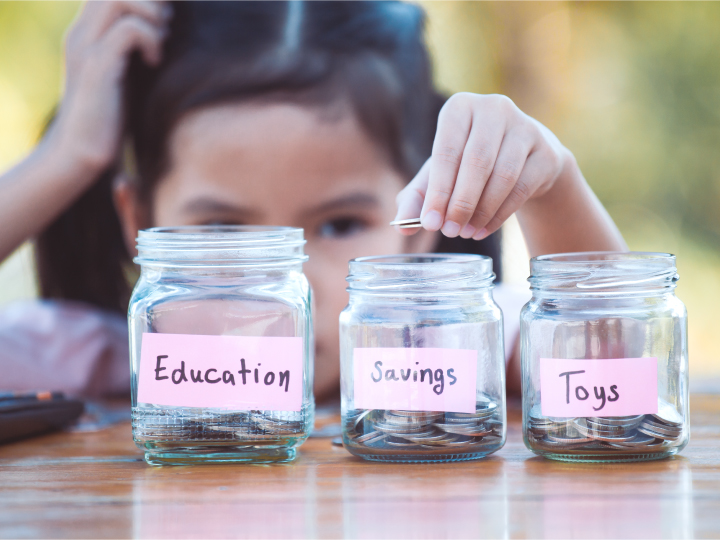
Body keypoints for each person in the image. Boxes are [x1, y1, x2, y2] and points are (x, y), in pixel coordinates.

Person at [0, 1, 626, 400]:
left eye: (339, 225)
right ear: (142, 226)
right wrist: (64, 162)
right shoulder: (96, 360)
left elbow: (612, 359)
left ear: (417, 221)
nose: (284, 286)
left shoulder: (450, 346)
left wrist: (554, 185)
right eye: (222, 231)